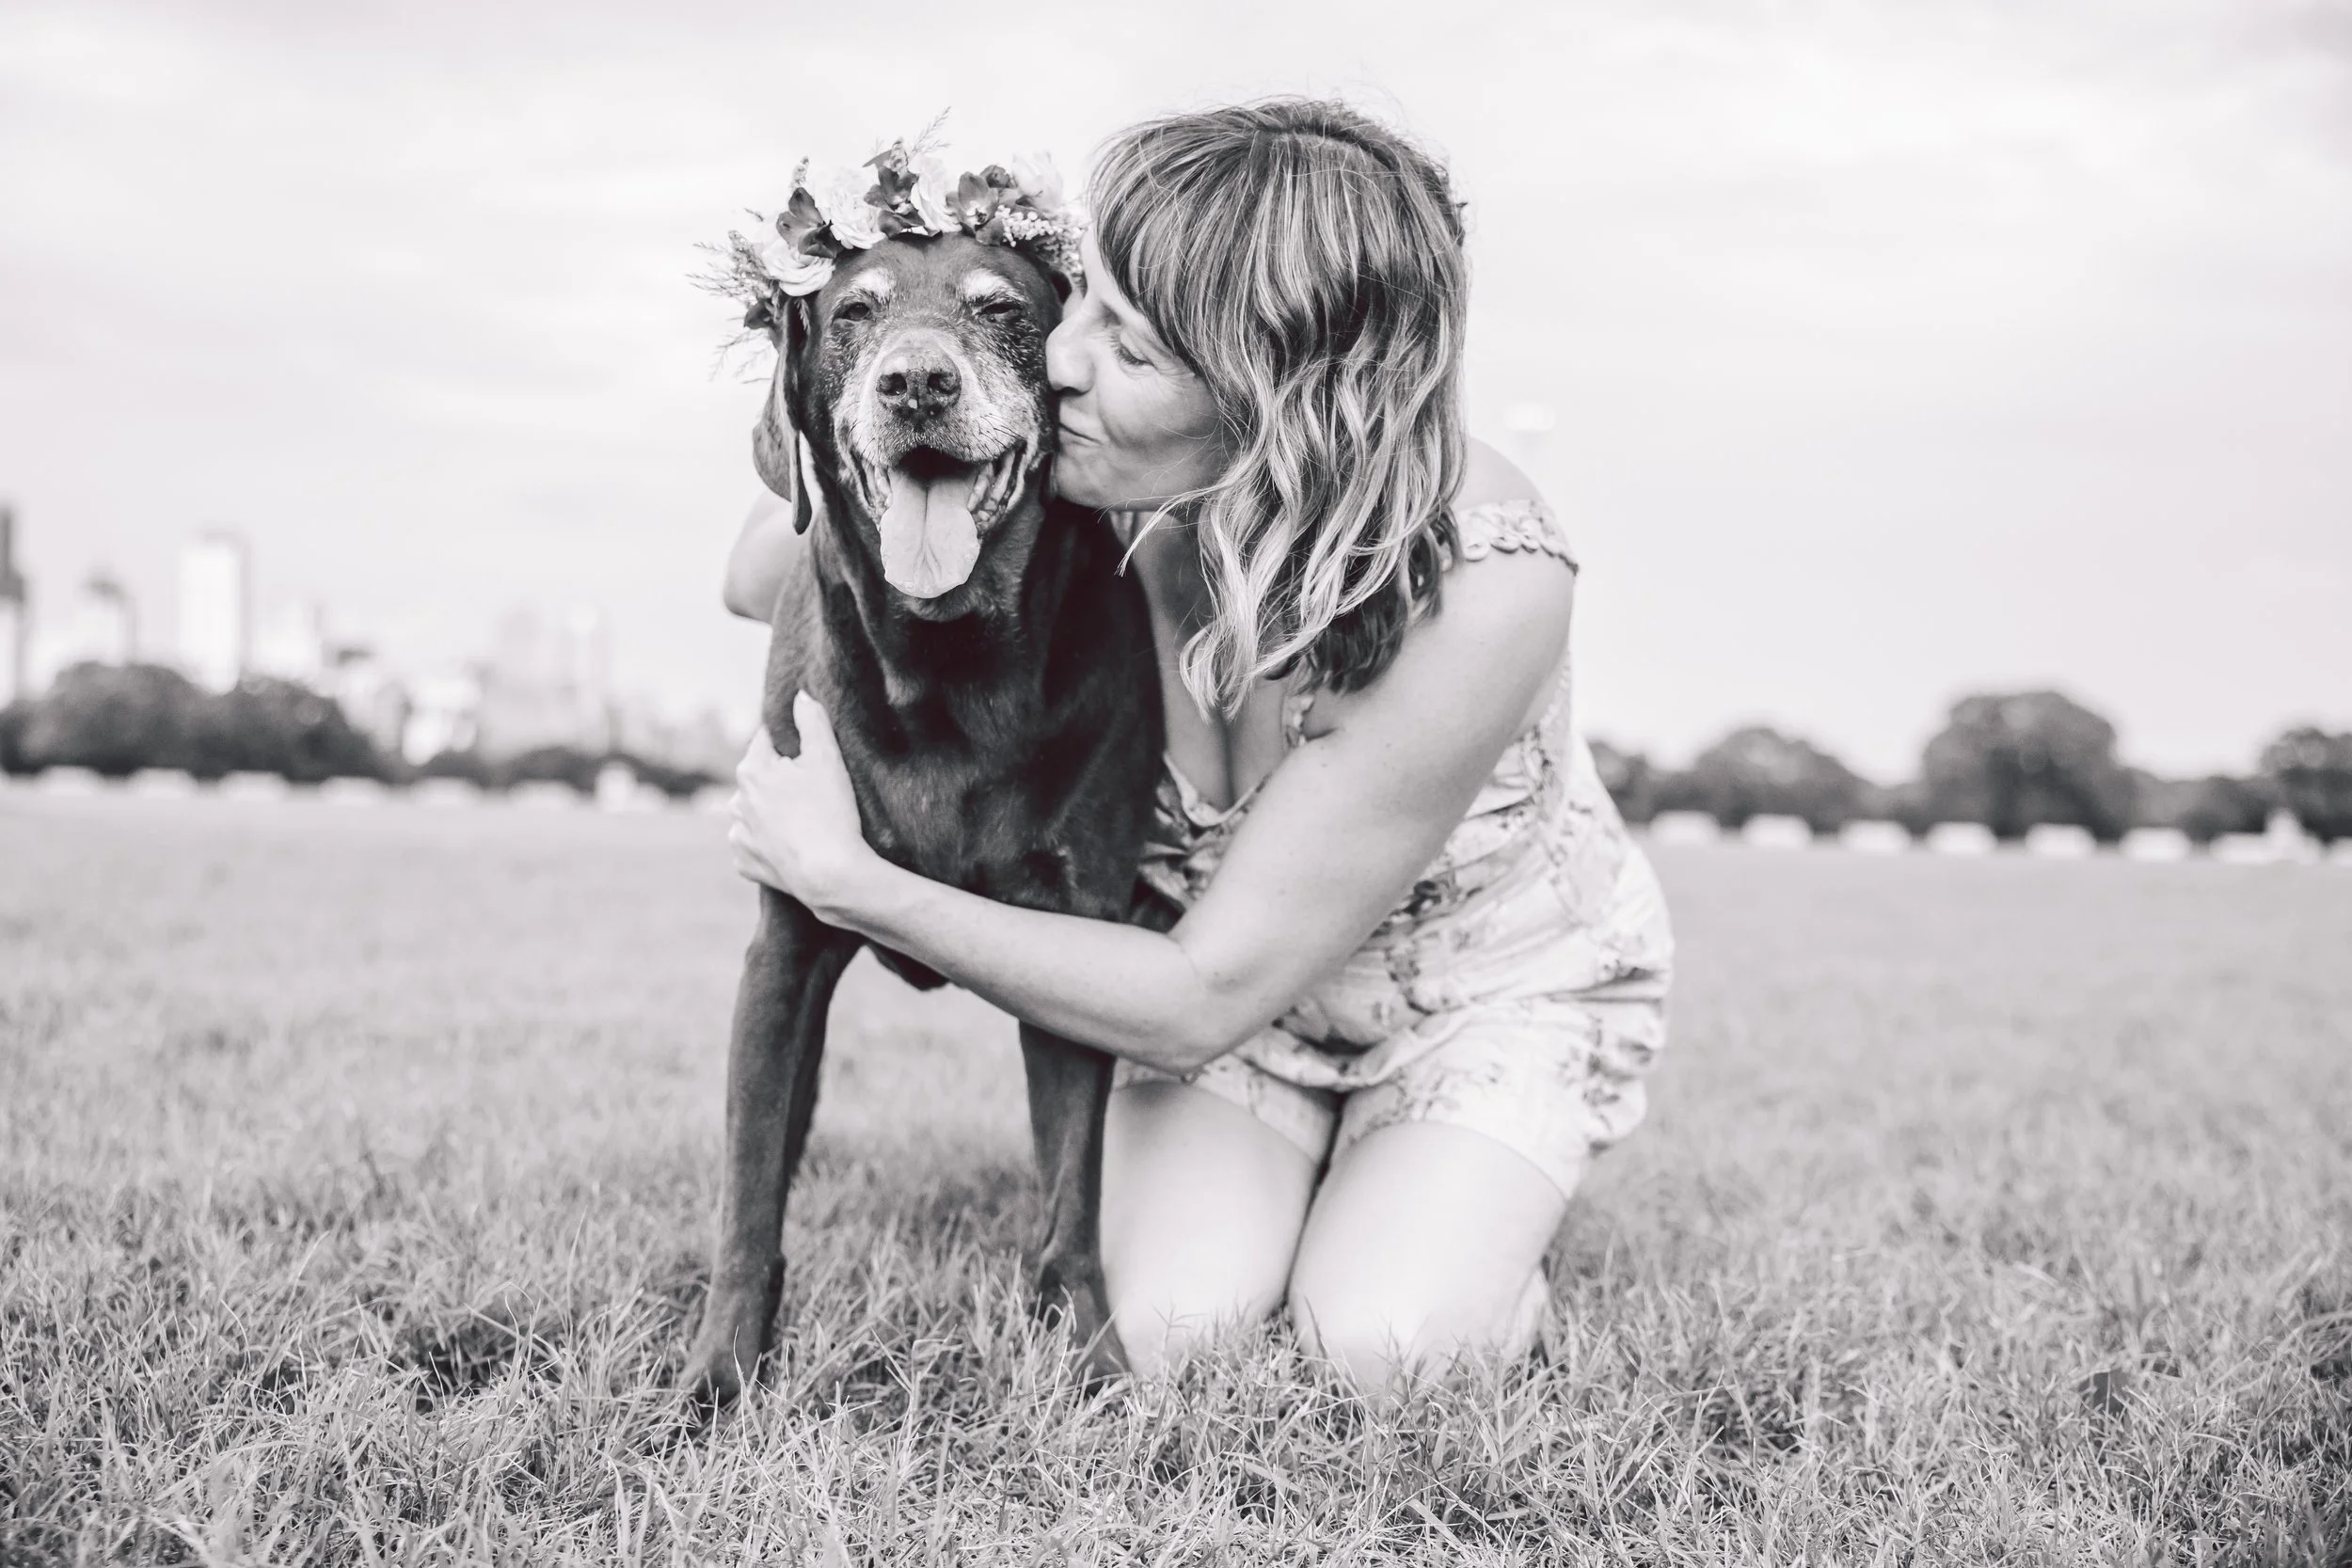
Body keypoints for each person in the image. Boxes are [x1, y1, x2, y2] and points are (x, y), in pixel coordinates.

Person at [719, 100, 1673, 1393]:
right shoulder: (1079, 470)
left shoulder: (1491, 577)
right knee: (1170, 1332)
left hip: (1465, 1007)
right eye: (1086, 307)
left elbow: (1199, 989)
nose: (1062, 365)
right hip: (1244, 1029)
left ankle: (1453, 1207)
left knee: (1385, 1346)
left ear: (1275, 395)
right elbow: (753, 568)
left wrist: (853, 882)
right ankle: (1344, 1189)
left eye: (1136, 349)